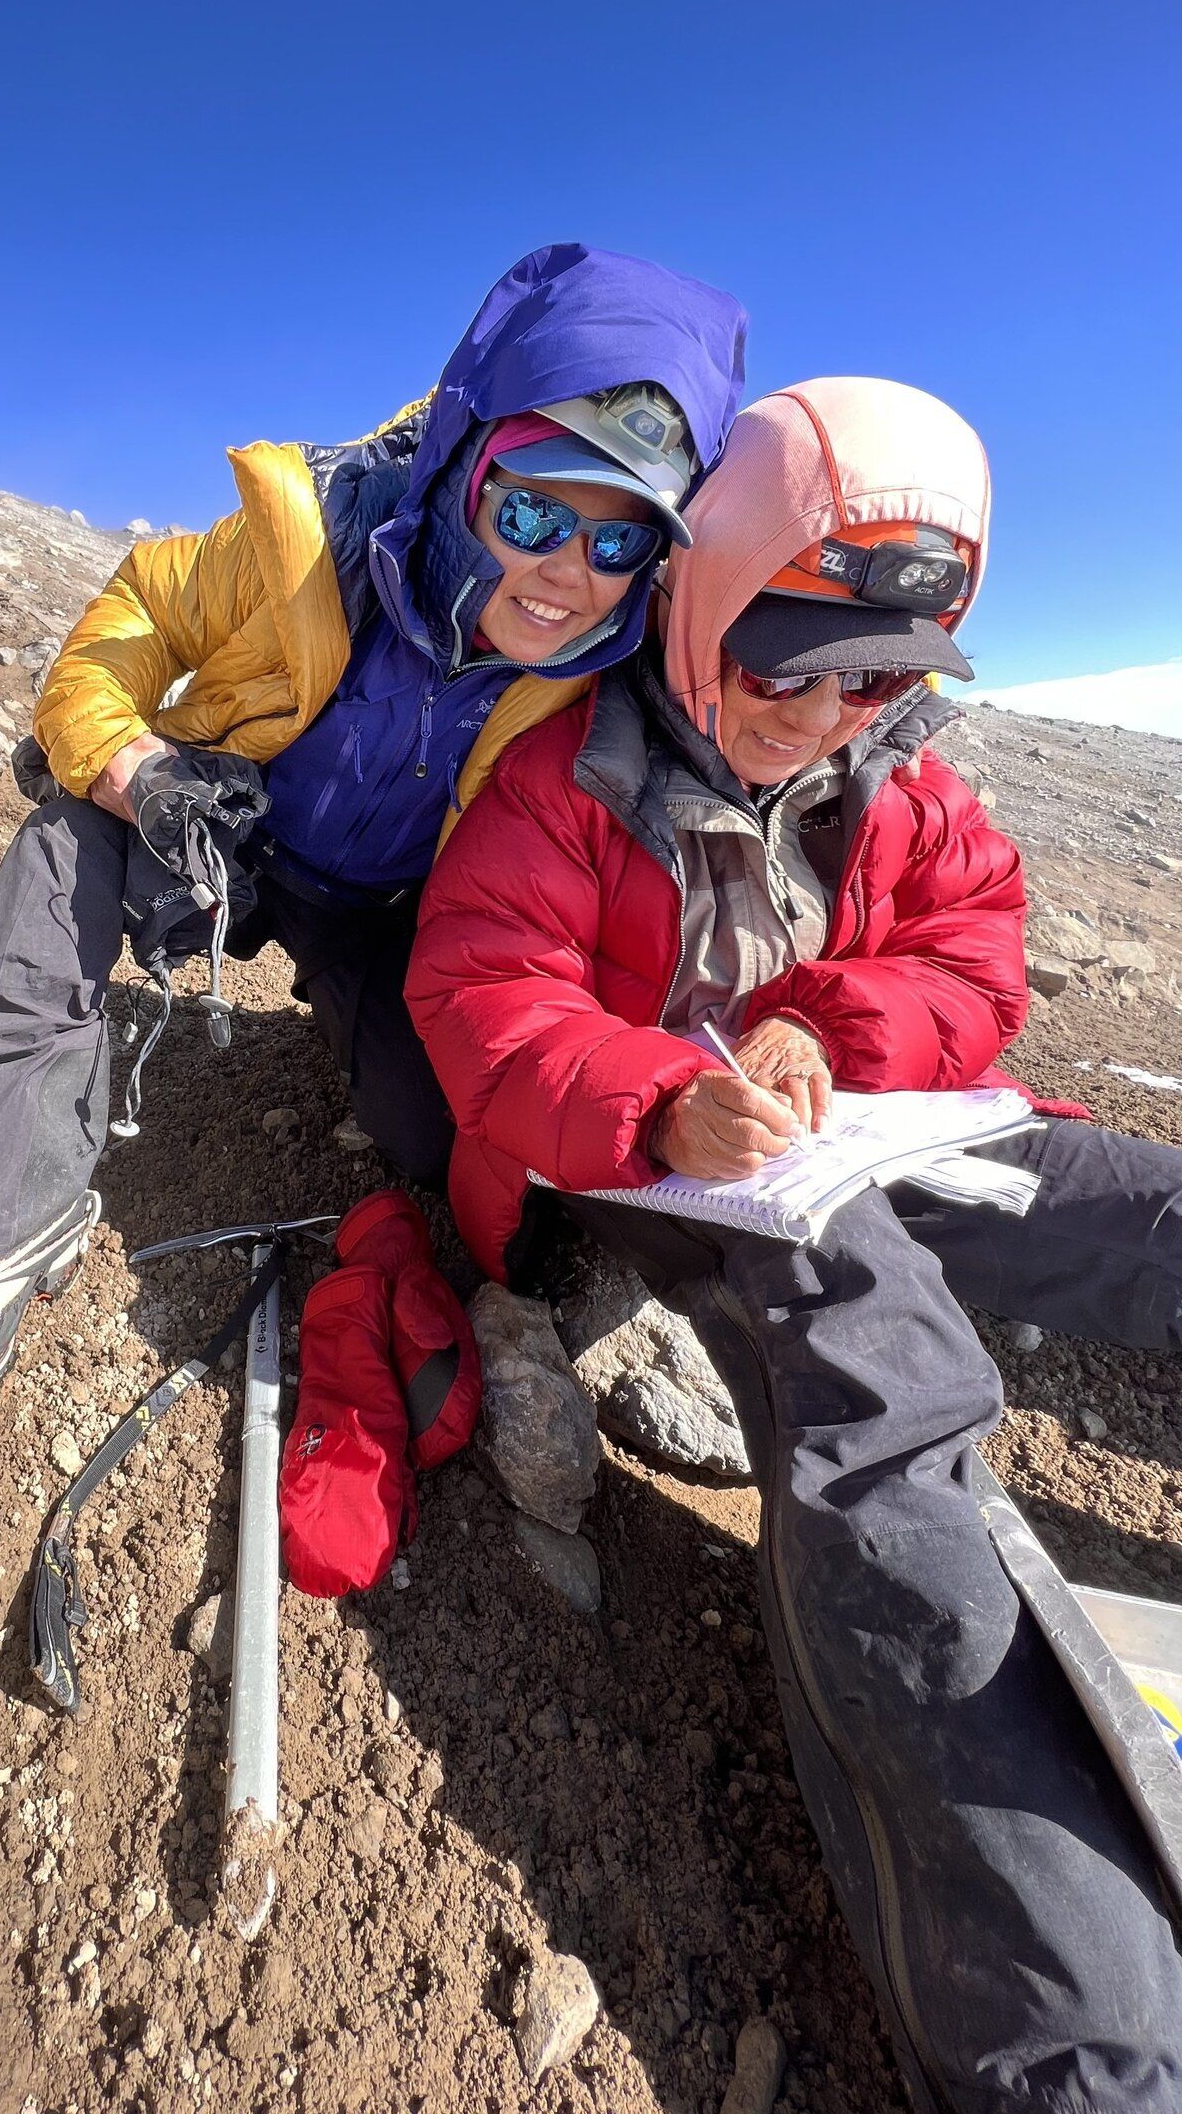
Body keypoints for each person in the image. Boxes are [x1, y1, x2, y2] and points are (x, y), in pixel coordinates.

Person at [406, 374, 1182, 2111]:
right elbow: (476, 994)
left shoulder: (898, 780)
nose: (830, 711)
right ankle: (1082, 2057)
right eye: (791, 658)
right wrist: (661, 1103)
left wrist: (834, 1028)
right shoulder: (560, 780)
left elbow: (979, 951)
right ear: (700, 598)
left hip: (885, 1121)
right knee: (887, 1398)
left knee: (1156, 1208)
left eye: (885, 675)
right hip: (686, 1179)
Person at [0, 242, 748, 1416]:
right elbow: (135, 617)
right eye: (534, 507)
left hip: (388, 916)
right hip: (217, 832)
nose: (566, 574)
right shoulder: (308, 541)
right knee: (62, 852)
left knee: (424, 1136)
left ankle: (341, 1026)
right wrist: (142, 776)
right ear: (461, 462)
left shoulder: (606, 683)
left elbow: (783, 702)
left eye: (618, 540)